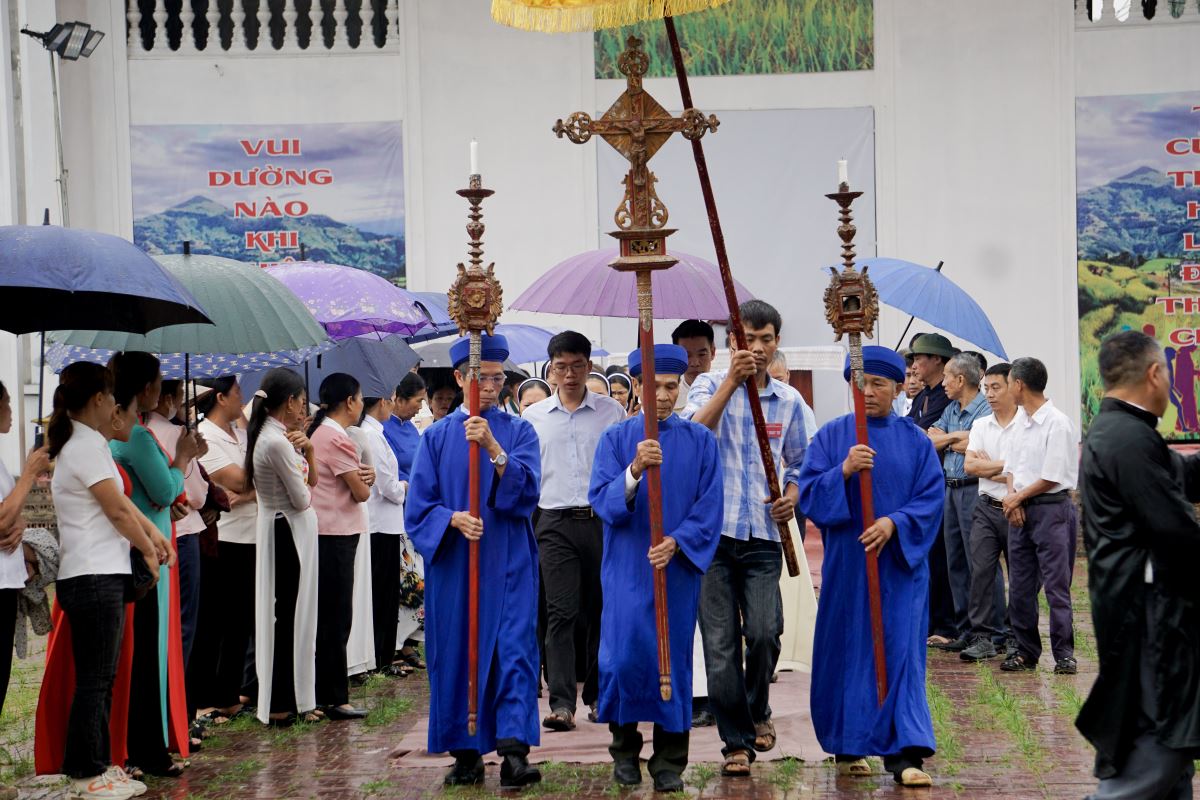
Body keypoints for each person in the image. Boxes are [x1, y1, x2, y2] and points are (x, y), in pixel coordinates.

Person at [797, 346, 944, 788]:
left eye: (879, 384)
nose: (869, 392)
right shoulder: (831, 436)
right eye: (860, 383)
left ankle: (904, 754)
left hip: (899, 570)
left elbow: (931, 499)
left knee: (899, 652)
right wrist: (843, 470)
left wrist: (893, 522)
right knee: (849, 650)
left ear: (899, 388)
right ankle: (849, 745)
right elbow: (808, 494)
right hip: (849, 567)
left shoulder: (916, 441)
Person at [405, 334, 543, 789]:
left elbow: (527, 494)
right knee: (458, 649)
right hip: (458, 564)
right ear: (460, 378)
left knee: (514, 650)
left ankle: (514, 751)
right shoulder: (438, 438)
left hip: (508, 559)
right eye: (481, 378)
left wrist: (494, 451)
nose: (490, 387)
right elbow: (419, 507)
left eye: (497, 378)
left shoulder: (518, 431)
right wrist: (451, 519)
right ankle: (465, 752)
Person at [588, 345, 722, 793]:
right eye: (653, 386)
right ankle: (624, 753)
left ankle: (669, 761)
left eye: (670, 386)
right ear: (637, 387)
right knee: (624, 658)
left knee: (673, 660)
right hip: (628, 565)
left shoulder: (701, 441)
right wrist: (633, 470)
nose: (662, 396)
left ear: (681, 386)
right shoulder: (616, 439)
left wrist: (679, 541)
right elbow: (601, 501)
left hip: (677, 569)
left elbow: (710, 507)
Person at [682, 300, 807, 776]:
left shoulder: (789, 401)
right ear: (732, 343)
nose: (756, 348)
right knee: (719, 644)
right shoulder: (710, 386)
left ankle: (758, 708)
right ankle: (735, 741)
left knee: (763, 633)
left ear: (777, 342)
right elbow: (694, 435)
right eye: (747, 339)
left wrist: (792, 496)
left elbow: (800, 463)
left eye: (766, 339)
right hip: (711, 536)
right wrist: (732, 382)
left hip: (762, 535)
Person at [1078, 331, 1199, 799]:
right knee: (1160, 743)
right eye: (1166, 372)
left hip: (1138, 606)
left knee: (1174, 754)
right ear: (1154, 373)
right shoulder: (1127, 438)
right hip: (1148, 613)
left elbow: (1180, 474)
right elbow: (1175, 533)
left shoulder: (1122, 431)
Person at [42, 362, 168, 799]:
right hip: (92, 574)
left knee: (102, 676)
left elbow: (120, 505)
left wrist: (151, 533)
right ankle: (84, 771)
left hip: (99, 573)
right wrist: (149, 552)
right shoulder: (84, 445)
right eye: (112, 395)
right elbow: (115, 510)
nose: (116, 404)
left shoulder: (88, 443)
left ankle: (97, 764)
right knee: (96, 679)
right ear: (99, 399)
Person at [522, 331, 627, 731]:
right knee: (560, 612)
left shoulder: (610, 412)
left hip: (602, 520)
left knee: (602, 608)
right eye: (561, 367)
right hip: (553, 522)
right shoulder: (532, 418)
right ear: (551, 370)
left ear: (588, 366)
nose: (569, 374)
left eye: (577, 365)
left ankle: (599, 696)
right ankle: (561, 702)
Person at [108, 352, 196, 778]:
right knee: (150, 651)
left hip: (149, 541)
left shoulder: (126, 433)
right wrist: (181, 458)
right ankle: (150, 743)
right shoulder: (137, 436)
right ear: (145, 389)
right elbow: (162, 489)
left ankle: (146, 740)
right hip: (150, 552)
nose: (163, 390)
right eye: (159, 381)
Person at [245, 368, 321, 727]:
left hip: (286, 528)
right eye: (302, 402)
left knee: (294, 613)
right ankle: (282, 700)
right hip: (286, 529)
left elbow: (311, 480)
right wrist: (301, 461)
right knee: (288, 615)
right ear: (289, 402)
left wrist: (308, 450)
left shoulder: (279, 437)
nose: (304, 409)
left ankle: (295, 696)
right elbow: (303, 497)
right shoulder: (274, 441)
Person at [1000, 357, 1079, 675]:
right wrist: (1013, 499)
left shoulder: (1056, 422)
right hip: (1020, 510)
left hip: (1051, 509)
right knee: (1019, 585)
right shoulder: (1019, 422)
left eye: (1007, 383)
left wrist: (1018, 496)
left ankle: (1064, 654)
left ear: (1019, 384)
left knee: (1057, 586)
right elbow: (1010, 468)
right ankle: (1025, 651)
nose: (1006, 389)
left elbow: (1053, 474)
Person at [306, 373, 374, 719]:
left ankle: (324, 692)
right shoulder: (336, 438)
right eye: (360, 398)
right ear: (349, 401)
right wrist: (365, 478)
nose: (361, 405)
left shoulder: (322, 433)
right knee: (336, 616)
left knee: (328, 615)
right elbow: (361, 492)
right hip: (334, 533)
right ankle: (333, 695)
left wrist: (365, 477)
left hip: (326, 531)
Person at [195, 377, 257, 719]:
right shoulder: (206, 437)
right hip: (225, 535)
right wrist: (250, 488)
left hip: (251, 532)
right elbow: (238, 479)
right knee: (219, 619)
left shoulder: (242, 434)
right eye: (236, 393)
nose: (242, 398)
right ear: (220, 397)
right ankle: (211, 695)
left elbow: (260, 478)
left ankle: (230, 694)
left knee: (241, 620)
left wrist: (246, 494)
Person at [142, 381, 208, 683]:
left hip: (155, 534)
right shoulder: (171, 434)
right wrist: (188, 457)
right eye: (182, 398)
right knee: (183, 623)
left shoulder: (141, 430)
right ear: (165, 397)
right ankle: (179, 704)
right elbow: (195, 495)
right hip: (180, 533)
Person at [926, 354, 992, 651]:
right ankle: (965, 629)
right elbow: (931, 439)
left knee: (978, 560)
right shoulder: (952, 408)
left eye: (947, 377)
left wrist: (952, 440)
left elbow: (983, 446)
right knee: (955, 561)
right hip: (949, 490)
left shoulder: (985, 408)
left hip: (974, 488)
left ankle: (990, 630)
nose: (943, 383)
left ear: (961, 380)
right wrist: (959, 438)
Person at [960, 363, 1017, 662]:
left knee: (1022, 575)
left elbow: (1028, 472)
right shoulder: (982, 425)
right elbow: (970, 467)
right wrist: (1007, 466)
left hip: (1018, 507)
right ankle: (982, 636)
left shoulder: (1026, 424)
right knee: (980, 570)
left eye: (996, 387)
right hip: (985, 507)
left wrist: (991, 465)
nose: (990, 394)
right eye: (987, 388)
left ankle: (1013, 635)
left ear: (1014, 387)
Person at [0, 381, 50, 722]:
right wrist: (30, 473)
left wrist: (19, 526)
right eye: (6, 402)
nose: (12, 410)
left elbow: (8, 515)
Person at [906, 333, 959, 648]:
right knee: (926, 554)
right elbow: (914, 430)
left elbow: (929, 437)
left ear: (937, 360)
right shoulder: (922, 396)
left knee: (941, 555)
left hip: (942, 483)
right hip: (921, 484)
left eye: (920, 358)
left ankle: (945, 622)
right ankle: (928, 620)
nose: (914, 366)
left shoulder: (946, 398)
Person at [360, 391, 409, 679]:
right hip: (380, 522)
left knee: (388, 593)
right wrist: (404, 486)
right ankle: (381, 656)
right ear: (382, 402)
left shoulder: (377, 432)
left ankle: (384, 654)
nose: (392, 404)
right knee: (382, 593)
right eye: (391, 399)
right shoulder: (371, 435)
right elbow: (386, 486)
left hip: (387, 523)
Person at [384, 374, 429, 671]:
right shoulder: (382, 431)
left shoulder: (412, 430)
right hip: (395, 511)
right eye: (417, 401)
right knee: (406, 580)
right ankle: (397, 644)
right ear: (398, 398)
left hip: (415, 513)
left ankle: (410, 642)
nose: (420, 407)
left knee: (417, 578)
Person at [671, 320, 715, 413]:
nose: (695, 363)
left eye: (702, 354)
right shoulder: (666, 400)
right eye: (687, 355)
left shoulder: (727, 393)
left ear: (713, 352)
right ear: (677, 356)